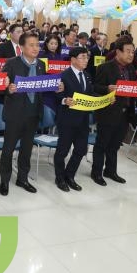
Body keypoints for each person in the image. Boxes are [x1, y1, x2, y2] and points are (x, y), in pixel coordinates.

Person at [0, 32, 62, 195]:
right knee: (8, 149)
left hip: (33, 113)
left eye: (37, 45)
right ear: (21, 47)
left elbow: (43, 86)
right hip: (15, 114)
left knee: (27, 149)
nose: (36, 48)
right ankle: (4, 181)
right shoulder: (11, 63)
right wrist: (9, 89)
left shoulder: (41, 64)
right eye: (31, 45)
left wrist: (56, 87)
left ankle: (22, 178)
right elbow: (2, 86)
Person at [92, 38, 136, 186]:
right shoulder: (105, 67)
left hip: (125, 113)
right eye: (128, 51)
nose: (131, 55)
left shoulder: (130, 69)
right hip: (108, 112)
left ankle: (111, 171)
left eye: (133, 52)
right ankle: (96, 172)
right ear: (118, 52)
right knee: (102, 144)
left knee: (115, 145)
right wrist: (106, 89)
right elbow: (95, 87)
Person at [54, 47, 95, 192]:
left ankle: (69, 175)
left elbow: (91, 94)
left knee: (80, 150)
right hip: (67, 119)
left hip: (83, 119)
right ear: (73, 59)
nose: (86, 60)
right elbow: (57, 95)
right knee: (62, 150)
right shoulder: (63, 75)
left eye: (87, 57)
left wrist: (104, 100)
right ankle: (59, 178)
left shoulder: (88, 76)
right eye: (82, 57)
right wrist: (65, 100)